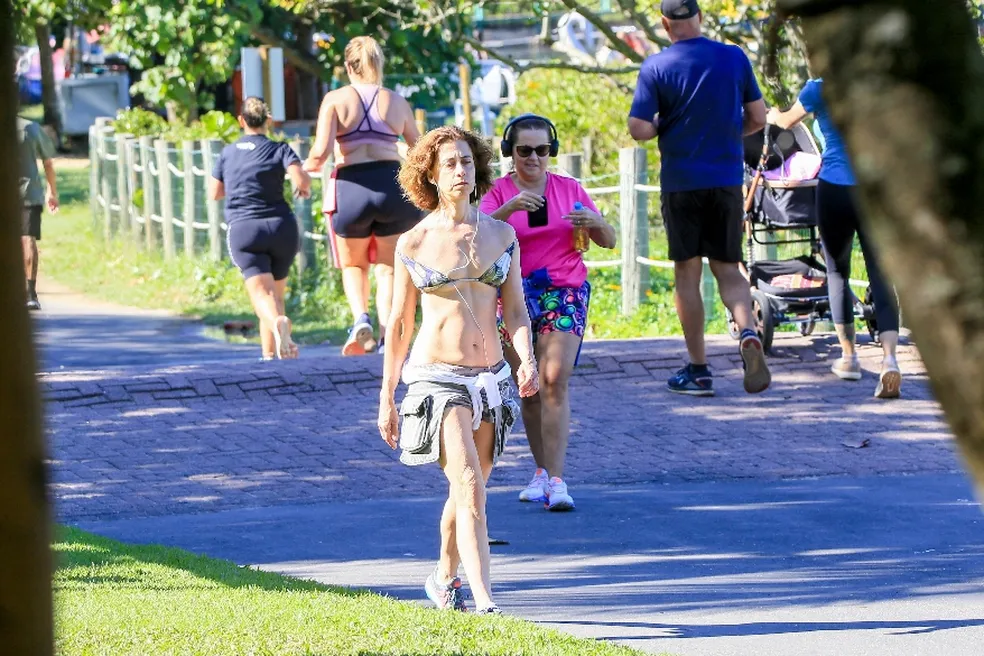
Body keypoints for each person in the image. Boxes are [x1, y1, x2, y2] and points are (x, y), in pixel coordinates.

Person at [378, 126, 538, 614]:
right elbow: (400, 324)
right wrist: (387, 396)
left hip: (491, 377)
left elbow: (515, 312)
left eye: (466, 161)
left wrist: (525, 357)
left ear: (478, 169)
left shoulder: (502, 234)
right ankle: (486, 600)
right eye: (449, 163)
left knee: (472, 488)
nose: (459, 170)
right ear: (430, 172)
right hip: (436, 377)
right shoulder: (414, 241)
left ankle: (443, 576)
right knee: (468, 482)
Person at [627, 0, 771, 397]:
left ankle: (699, 369)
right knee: (729, 269)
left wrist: (662, 126)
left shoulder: (656, 66)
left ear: (664, 24)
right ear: (700, 18)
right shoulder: (733, 57)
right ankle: (747, 333)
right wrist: (725, 134)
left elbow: (639, 128)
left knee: (687, 275)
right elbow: (758, 118)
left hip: (681, 183)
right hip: (725, 182)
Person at [479, 114, 617, 511]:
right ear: (511, 152)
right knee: (530, 382)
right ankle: (540, 472)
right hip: (514, 294)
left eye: (542, 150)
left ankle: (557, 481)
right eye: (525, 150)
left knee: (554, 376)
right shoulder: (498, 192)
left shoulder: (569, 189)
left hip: (564, 289)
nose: (534, 158)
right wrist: (508, 208)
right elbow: (476, 236)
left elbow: (606, 240)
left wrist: (596, 221)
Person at [768, 80, 902, 398]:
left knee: (837, 271)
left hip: (834, 188)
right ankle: (890, 359)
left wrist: (772, 114)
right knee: (881, 274)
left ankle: (849, 358)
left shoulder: (819, 87)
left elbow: (787, 122)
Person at [304, 36, 422, 356]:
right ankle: (386, 337)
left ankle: (360, 319)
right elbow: (419, 149)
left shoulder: (336, 100)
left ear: (347, 66)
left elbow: (321, 152)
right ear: (379, 63)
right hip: (391, 185)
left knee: (354, 265)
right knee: (388, 267)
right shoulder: (396, 102)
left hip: (350, 187)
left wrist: (303, 169)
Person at [208, 97, 311, 360]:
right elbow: (300, 178)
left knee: (261, 294)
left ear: (241, 120)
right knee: (274, 294)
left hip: (245, 229)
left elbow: (215, 192)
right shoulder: (280, 149)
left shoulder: (227, 153)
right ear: (268, 121)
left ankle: (278, 325)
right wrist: (303, 187)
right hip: (281, 228)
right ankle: (270, 355)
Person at [17, 111, 58, 310]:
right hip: (28, 193)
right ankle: (30, 293)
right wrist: (52, 191)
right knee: (28, 238)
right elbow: (48, 161)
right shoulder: (30, 128)